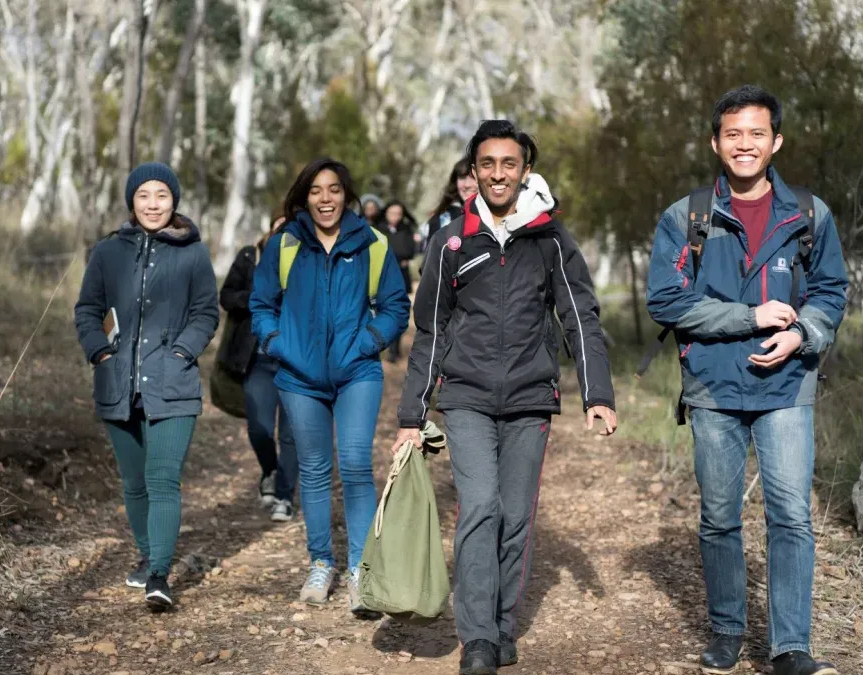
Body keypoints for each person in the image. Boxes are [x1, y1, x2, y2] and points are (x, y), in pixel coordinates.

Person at [393, 120, 617, 675]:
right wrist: (411, 415)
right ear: (473, 171)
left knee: (515, 516)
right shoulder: (451, 240)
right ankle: (478, 640)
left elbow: (579, 316)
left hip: (529, 398)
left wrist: (598, 393)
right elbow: (432, 330)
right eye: (487, 164)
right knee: (481, 507)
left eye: (509, 164)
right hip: (465, 395)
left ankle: (501, 623)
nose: (498, 174)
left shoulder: (549, 239)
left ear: (524, 169)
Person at [645, 85, 847, 675]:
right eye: (733, 134)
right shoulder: (686, 218)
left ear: (776, 141)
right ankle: (728, 631)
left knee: (791, 516)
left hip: (787, 386)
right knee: (719, 516)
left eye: (757, 133)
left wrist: (803, 334)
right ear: (716, 142)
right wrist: (749, 317)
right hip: (712, 387)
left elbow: (830, 291)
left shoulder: (809, 214)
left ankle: (790, 648)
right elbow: (666, 300)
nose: (745, 144)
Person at [250, 158, 411, 617]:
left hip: (357, 371)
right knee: (316, 470)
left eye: (335, 189)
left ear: (347, 194)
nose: (326, 199)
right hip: (299, 377)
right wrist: (278, 342)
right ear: (305, 197)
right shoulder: (285, 243)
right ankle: (321, 562)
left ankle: (362, 571)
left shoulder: (371, 244)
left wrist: (370, 341)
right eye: (317, 190)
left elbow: (396, 306)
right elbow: (261, 303)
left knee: (357, 463)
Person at [74, 162, 219, 611]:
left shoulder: (192, 253)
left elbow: (206, 312)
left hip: (173, 385)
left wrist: (182, 352)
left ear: (174, 201)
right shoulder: (106, 253)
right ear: (131, 201)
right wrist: (100, 352)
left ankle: (159, 573)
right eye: (143, 195)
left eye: (162, 195)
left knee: (162, 479)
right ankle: (146, 552)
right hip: (117, 384)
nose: (153, 204)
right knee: (134, 482)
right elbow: (87, 310)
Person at [218, 216, 299, 522]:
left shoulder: (311, 259)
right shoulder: (250, 256)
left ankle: (285, 496)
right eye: (281, 227)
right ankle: (270, 470)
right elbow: (226, 296)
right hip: (259, 360)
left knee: (291, 434)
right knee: (259, 428)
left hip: (297, 364)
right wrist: (256, 299)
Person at [380, 200, 418, 361]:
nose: (395, 217)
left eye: (398, 214)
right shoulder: (378, 229)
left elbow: (409, 251)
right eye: (392, 213)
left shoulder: (406, 229)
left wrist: (396, 254)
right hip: (381, 276)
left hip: (400, 276)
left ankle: (394, 351)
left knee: (397, 312)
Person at [418, 157, 479, 251]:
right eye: (462, 177)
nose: (467, 184)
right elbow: (431, 262)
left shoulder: (499, 215)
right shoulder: (442, 219)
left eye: (473, 178)